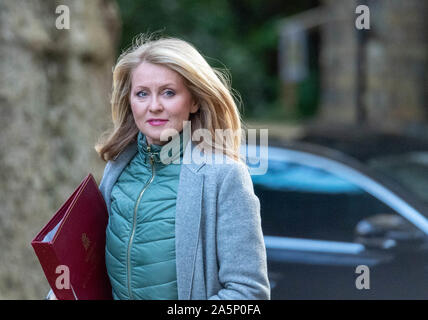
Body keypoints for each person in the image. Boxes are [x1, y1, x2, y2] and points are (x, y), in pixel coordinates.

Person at [49, 35, 270, 300]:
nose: (154, 106)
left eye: (169, 92)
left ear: (194, 101)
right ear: (130, 101)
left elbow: (248, 294)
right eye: (142, 93)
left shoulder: (224, 176)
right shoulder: (119, 165)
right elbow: (90, 268)